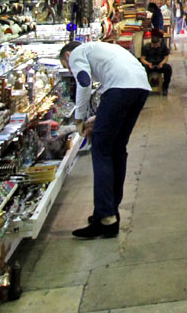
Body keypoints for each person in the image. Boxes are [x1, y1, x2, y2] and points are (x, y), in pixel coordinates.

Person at [59, 40, 151, 239]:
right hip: (140, 87)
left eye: (67, 68)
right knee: (117, 149)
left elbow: (84, 82)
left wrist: (79, 118)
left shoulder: (76, 54)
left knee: (101, 149)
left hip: (120, 89)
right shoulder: (102, 47)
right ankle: (110, 211)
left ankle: (105, 216)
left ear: (67, 55)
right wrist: (98, 117)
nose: (71, 69)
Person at [138, 30, 172, 95]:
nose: (156, 46)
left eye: (157, 45)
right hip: (149, 64)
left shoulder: (163, 46)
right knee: (143, 69)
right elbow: (142, 58)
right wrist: (148, 63)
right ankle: (145, 87)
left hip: (160, 64)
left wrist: (162, 63)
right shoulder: (146, 47)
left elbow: (166, 57)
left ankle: (165, 87)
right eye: (154, 45)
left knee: (168, 68)